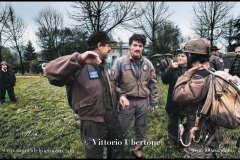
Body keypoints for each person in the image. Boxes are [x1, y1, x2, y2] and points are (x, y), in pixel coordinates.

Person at [45, 31, 123, 159]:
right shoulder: (78, 66)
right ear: (100, 45)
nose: (110, 49)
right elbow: (50, 72)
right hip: (93, 123)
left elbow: (110, 87)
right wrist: (80, 59)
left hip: (112, 118)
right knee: (95, 155)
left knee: (117, 151)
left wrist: (121, 95)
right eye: (108, 45)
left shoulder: (103, 65)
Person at [173, 38, 222, 158]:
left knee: (197, 152)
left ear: (194, 58)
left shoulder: (199, 77)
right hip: (210, 122)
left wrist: (187, 73)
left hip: (199, 124)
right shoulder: (212, 72)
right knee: (210, 148)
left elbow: (177, 94)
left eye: (188, 55)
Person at [110, 34, 158, 158]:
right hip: (126, 101)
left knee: (141, 127)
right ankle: (117, 150)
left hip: (143, 101)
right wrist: (121, 94)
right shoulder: (120, 62)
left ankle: (138, 149)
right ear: (130, 46)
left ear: (143, 48)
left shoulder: (148, 63)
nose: (137, 48)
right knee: (122, 127)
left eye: (140, 46)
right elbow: (112, 82)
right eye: (135, 45)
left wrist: (154, 101)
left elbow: (153, 83)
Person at [161, 49, 189, 146]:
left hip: (186, 102)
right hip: (173, 101)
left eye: (182, 56)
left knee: (186, 123)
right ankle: (172, 140)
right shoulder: (173, 68)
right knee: (172, 123)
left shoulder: (191, 69)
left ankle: (185, 142)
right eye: (178, 56)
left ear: (188, 58)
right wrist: (170, 69)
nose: (179, 58)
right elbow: (164, 80)